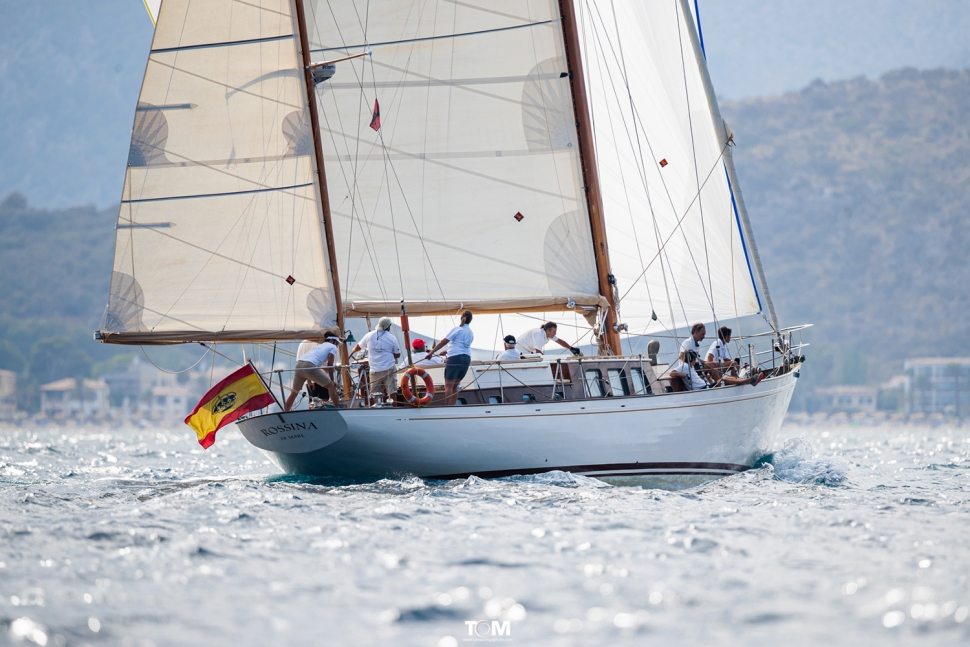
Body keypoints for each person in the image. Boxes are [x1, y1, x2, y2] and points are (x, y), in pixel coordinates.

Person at [425, 310, 474, 405]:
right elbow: (463, 346)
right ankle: (452, 406)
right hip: (466, 359)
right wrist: (447, 351)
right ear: (471, 320)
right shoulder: (471, 332)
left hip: (455, 359)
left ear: (461, 317)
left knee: (449, 386)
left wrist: (431, 352)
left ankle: (447, 407)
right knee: (455, 386)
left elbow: (443, 342)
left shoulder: (457, 329)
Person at [350, 317, 401, 405]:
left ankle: (373, 409)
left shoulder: (369, 335)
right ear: (388, 326)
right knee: (391, 392)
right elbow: (397, 354)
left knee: (373, 393)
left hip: (374, 370)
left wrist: (352, 351)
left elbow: (358, 346)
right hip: (389, 369)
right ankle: (393, 410)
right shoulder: (392, 338)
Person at [284, 333, 342, 411]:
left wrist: (309, 381)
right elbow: (330, 364)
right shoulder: (333, 346)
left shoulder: (318, 347)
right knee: (331, 386)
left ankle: (285, 412)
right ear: (331, 340)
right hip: (309, 366)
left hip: (298, 365)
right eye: (337, 343)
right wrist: (332, 380)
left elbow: (306, 363)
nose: (337, 345)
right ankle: (337, 408)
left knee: (294, 392)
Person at [515, 322, 581, 356]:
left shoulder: (549, 334)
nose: (555, 334)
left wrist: (571, 348)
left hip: (528, 350)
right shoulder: (539, 335)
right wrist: (547, 360)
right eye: (554, 332)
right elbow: (538, 352)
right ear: (547, 331)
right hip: (521, 348)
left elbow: (560, 341)